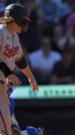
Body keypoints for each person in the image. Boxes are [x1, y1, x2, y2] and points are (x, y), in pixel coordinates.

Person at [0, 4, 39, 135]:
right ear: (14, 19)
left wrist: (31, 78)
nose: (24, 24)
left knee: (6, 131)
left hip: (3, 87)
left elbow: (20, 60)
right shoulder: (0, 32)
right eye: (22, 20)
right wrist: (8, 73)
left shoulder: (14, 37)